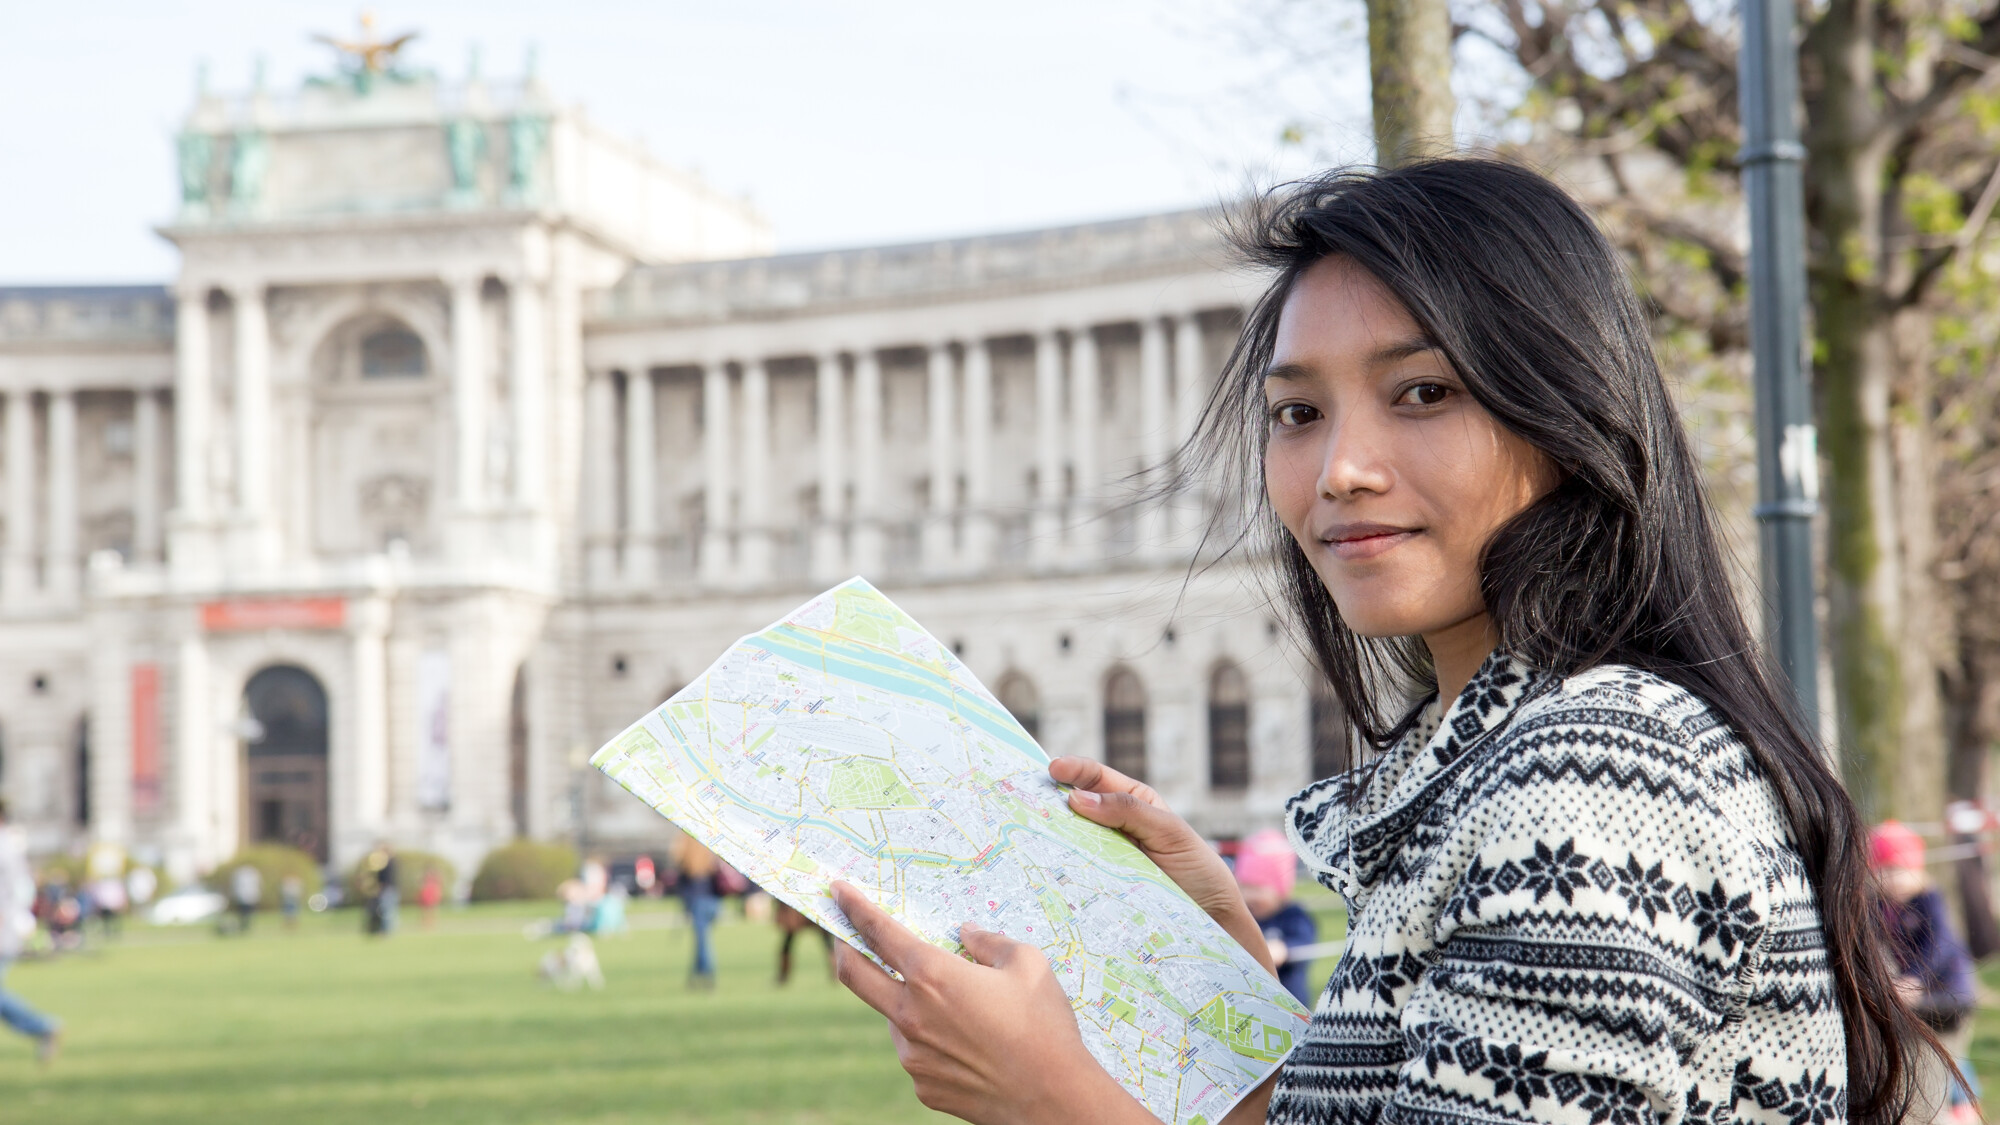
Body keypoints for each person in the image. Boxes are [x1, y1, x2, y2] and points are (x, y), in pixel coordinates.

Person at [823, 158, 1949, 1125]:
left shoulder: (1593, 779)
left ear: (1565, 411)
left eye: (1421, 392)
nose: (1337, 470)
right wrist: (1231, 969)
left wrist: (1056, 1101)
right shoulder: (1532, 752)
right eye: (1296, 414)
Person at [1872, 821, 1980, 1125]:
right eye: (1884, 871)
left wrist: (1914, 978)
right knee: (1933, 1054)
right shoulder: (1880, 907)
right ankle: (1959, 1106)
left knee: (1947, 1054)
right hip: (1922, 1002)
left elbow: (1940, 945)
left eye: (1899, 869)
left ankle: (1962, 1107)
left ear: (1918, 868)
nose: (1892, 879)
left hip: (1950, 996)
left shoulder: (1929, 901)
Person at [0, 800, 60, 1061]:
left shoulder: (4, 848)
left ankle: (42, 1026)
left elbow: (17, 893)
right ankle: (42, 1027)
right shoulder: (10, 847)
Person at [1232, 830, 1316, 1007]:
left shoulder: (1293, 916)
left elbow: (1305, 945)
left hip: (1289, 1002)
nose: (1250, 895)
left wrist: (1284, 950)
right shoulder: (1243, 917)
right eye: (1244, 887)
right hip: (1253, 1001)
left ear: (1280, 890)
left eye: (1258, 888)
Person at [672, 835, 722, 990]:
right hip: (712, 900)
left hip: (698, 900)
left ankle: (706, 974)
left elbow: (680, 867)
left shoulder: (689, 852)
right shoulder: (709, 849)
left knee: (702, 941)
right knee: (703, 939)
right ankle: (695, 975)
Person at [774, 900, 833, 985]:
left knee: (827, 942)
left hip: (808, 904)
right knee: (827, 942)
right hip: (804, 905)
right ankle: (783, 975)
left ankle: (836, 973)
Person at [361, 843, 399, 936]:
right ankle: (384, 930)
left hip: (387, 890)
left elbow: (386, 878)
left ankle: (386, 931)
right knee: (386, 911)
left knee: (387, 911)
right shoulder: (385, 862)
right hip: (388, 889)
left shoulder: (388, 863)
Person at [228, 862, 261, 935]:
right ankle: (243, 926)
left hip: (249, 897)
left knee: (248, 913)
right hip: (243, 898)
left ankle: (246, 925)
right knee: (243, 914)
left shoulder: (251, 874)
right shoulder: (241, 874)